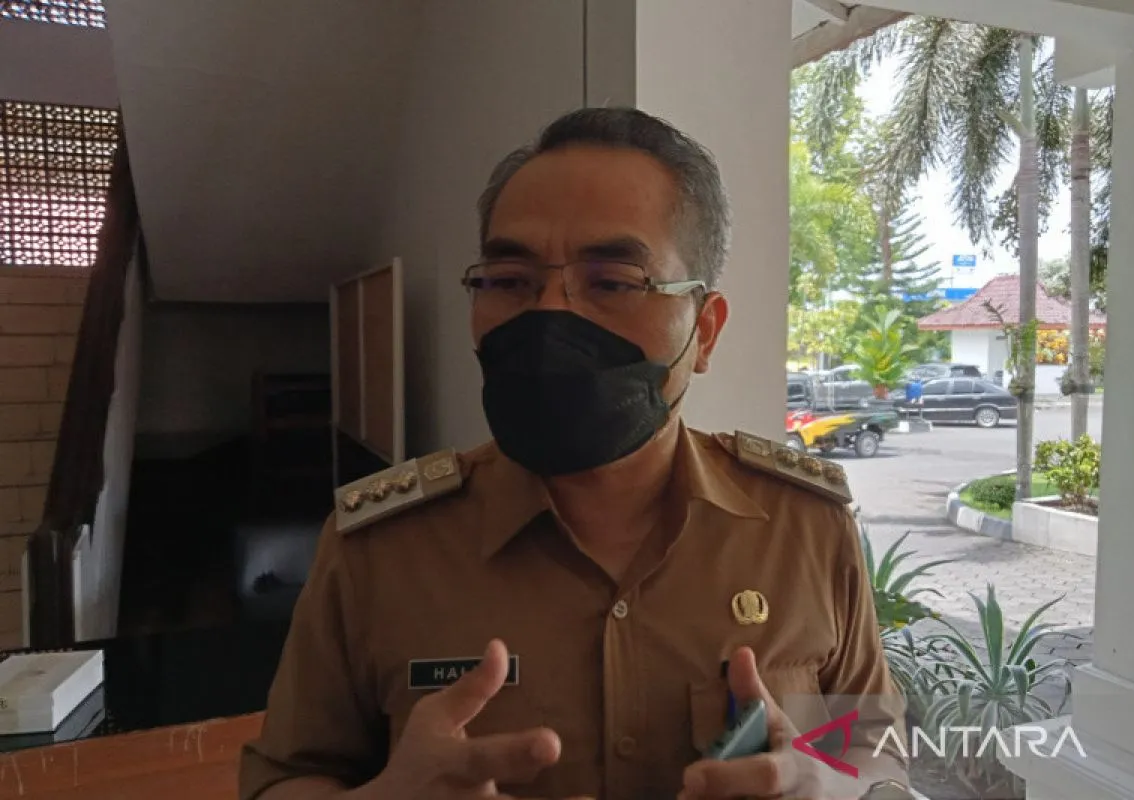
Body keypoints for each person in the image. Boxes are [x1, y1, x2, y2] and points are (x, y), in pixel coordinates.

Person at [239, 107, 909, 800]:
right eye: (508, 280)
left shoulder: (806, 529)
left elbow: (877, 756)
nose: (549, 317)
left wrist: (825, 785)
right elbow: (282, 777)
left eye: (613, 282)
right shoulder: (380, 551)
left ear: (704, 331)